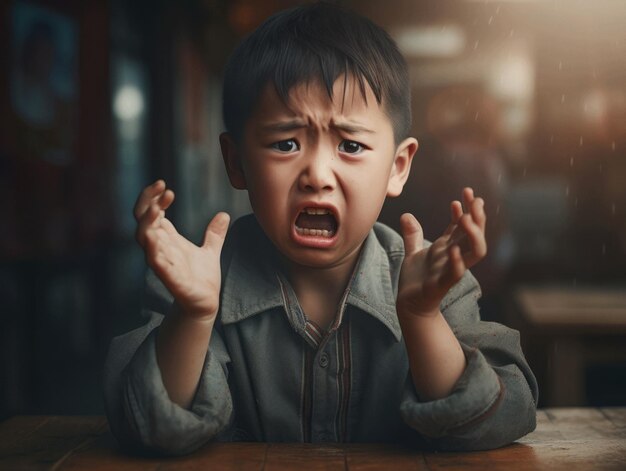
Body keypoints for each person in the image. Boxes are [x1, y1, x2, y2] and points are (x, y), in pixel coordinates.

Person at [103, 2, 538, 456]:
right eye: (286, 143)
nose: (317, 173)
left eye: (350, 145)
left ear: (398, 166)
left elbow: (505, 415)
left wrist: (423, 317)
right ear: (237, 162)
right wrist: (193, 316)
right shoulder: (195, 280)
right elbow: (144, 428)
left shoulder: (434, 282)